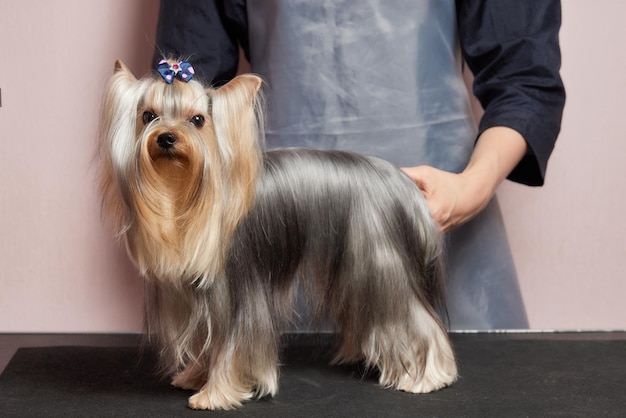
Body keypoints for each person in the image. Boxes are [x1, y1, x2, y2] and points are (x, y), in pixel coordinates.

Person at [152, 0, 565, 330]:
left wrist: (469, 190)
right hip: (280, 235)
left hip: (438, 215)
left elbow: (525, 80)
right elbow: (185, 85)